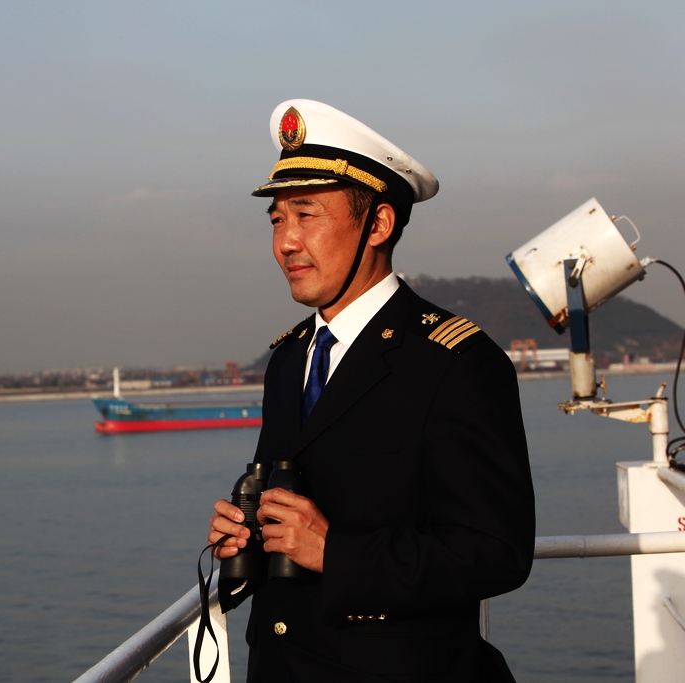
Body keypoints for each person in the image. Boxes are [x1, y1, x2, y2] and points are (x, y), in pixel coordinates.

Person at [207, 99, 536, 682]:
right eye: (277, 220)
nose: (286, 242)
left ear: (378, 225)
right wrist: (248, 538)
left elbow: (496, 551)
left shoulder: (455, 363)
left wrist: (335, 552)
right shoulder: (289, 359)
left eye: (306, 215)